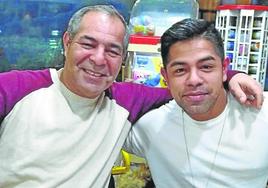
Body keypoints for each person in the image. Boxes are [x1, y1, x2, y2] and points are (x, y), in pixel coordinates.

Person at [0, 5, 264, 188]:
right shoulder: (15, 88)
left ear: (123, 58)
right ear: (67, 42)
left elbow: (191, 90)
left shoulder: (124, 101)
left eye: (113, 50)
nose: (99, 59)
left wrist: (231, 77)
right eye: (88, 44)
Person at [124, 18, 268, 188]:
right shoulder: (150, 126)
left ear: (224, 69)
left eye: (206, 67)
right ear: (166, 77)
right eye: (180, 70)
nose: (194, 80)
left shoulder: (261, 112)